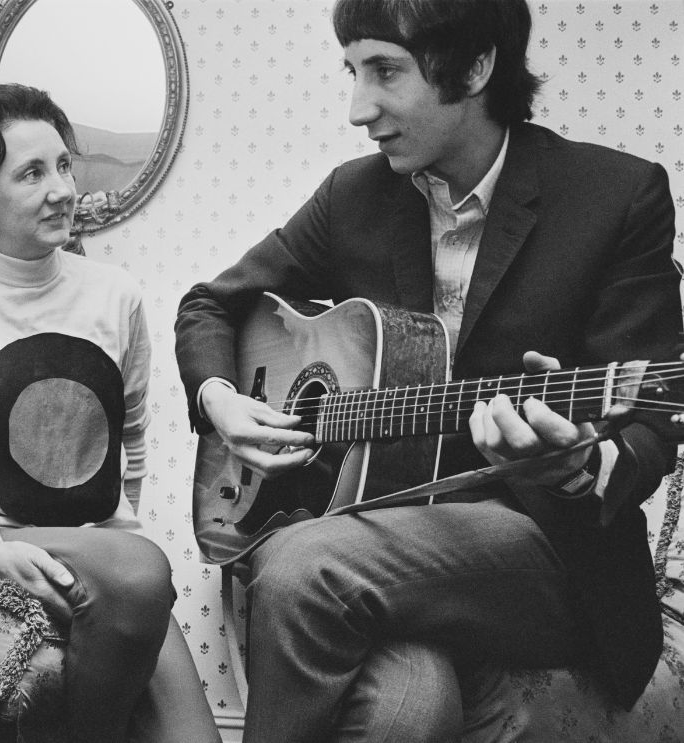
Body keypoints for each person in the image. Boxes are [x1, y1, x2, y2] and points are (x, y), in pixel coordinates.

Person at [174, 1, 680, 741]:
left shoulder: (615, 195)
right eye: (351, 71)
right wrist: (220, 397)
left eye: (384, 71)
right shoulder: (354, 194)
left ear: (474, 66)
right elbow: (210, 305)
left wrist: (575, 464)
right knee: (405, 710)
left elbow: (649, 424)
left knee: (299, 565)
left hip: (542, 548)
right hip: (375, 540)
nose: (357, 108)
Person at [0, 83, 219, 743]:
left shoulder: (117, 294)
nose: (61, 188)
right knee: (139, 572)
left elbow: (129, 437)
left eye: (64, 165)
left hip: (105, 555)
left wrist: (112, 530)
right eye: (31, 173)